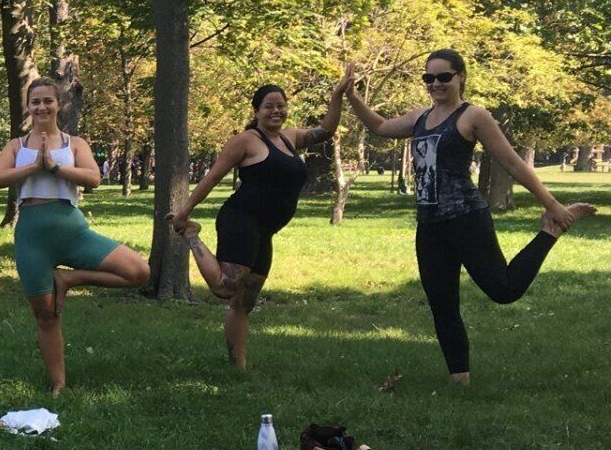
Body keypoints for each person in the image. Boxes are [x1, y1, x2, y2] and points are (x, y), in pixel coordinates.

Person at [343, 51, 593, 383]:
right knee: (441, 303)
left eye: (443, 77)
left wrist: (551, 204)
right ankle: (459, 378)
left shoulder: (472, 116)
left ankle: (549, 231)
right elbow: (379, 126)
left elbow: (512, 162)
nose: (435, 84)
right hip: (430, 224)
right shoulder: (420, 117)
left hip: (466, 217)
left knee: (503, 289)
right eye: (428, 79)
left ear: (460, 77)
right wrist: (352, 95)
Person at [0, 78, 150, 394]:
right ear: (28, 106)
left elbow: (94, 178)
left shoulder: (74, 144)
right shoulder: (15, 146)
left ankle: (69, 279)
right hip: (32, 234)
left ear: (58, 104)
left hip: (72, 229)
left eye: (48, 101)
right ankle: (58, 383)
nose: (42, 107)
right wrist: (35, 166)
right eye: (35, 102)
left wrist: (55, 168)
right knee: (45, 315)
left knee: (139, 272)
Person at [169, 78, 346, 368]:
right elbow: (213, 177)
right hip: (241, 219)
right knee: (225, 287)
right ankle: (192, 237)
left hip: (265, 230)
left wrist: (338, 95)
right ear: (256, 111)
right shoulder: (246, 141)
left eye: (281, 105)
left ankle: (237, 367)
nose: (276, 111)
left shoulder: (290, 138)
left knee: (244, 301)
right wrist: (184, 212)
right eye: (268, 106)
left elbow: (326, 131)